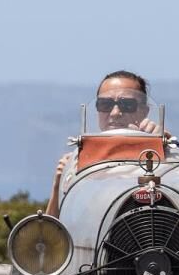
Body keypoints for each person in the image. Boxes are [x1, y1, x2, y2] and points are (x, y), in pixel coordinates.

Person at [46, 70, 172, 215]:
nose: (115, 112)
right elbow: (52, 229)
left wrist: (166, 148)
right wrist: (59, 183)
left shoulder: (163, 149)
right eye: (105, 104)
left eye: (127, 104)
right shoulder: (77, 160)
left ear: (144, 111)